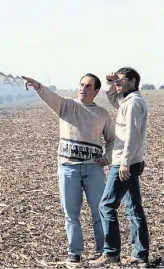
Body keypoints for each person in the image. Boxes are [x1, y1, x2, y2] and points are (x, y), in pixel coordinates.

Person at [22, 74, 115, 264]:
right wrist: (37, 85)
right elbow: (50, 96)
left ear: (96, 91)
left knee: (99, 212)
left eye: (88, 86)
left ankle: (103, 251)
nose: (83, 88)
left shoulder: (102, 114)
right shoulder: (66, 106)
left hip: (93, 170)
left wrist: (106, 158)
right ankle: (74, 252)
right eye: (81, 85)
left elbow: (113, 139)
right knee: (71, 214)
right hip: (68, 169)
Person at [91, 67, 150, 266]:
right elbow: (113, 98)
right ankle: (139, 255)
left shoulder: (133, 103)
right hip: (132, 160)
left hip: (125, 162)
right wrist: (112, 82)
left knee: (106, 205)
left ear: (132, 82)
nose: (117, 83)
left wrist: (124, 162)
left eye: (121, 80)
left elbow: (132, 136)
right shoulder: (127, 100)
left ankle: (111, 253)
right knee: (134, 209)